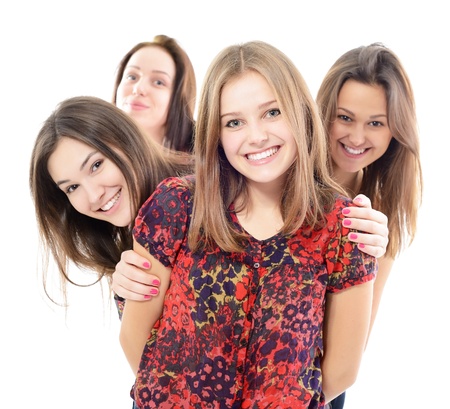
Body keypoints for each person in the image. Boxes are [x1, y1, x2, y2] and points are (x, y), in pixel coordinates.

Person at [119, 40, 377, 408]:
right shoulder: (174, 205)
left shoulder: (343, 225)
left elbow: (341, 370)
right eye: (234, 122)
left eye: (272, 113)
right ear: (216, 135)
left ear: (299, 113)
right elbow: (135, 339)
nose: (256, 136)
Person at [316, 43, 423, 408]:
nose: (357, 137)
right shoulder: (276, 176)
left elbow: (352, 348)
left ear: (396, 129)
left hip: (319, 388)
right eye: (344, 118)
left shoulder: (381, 213)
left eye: (375, 123)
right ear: (323, 113)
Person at [29, 96, 193, 304]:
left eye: (96, 165)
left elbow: (133, 338)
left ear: (125, 139)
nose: (94, 195)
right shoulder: (137, 239)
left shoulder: (190, 198)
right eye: (72, 187)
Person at [112, 34, 196, 152]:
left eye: (158, 82)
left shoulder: (201, 164)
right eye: (131, 76)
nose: (138, 88)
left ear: (178, 99)